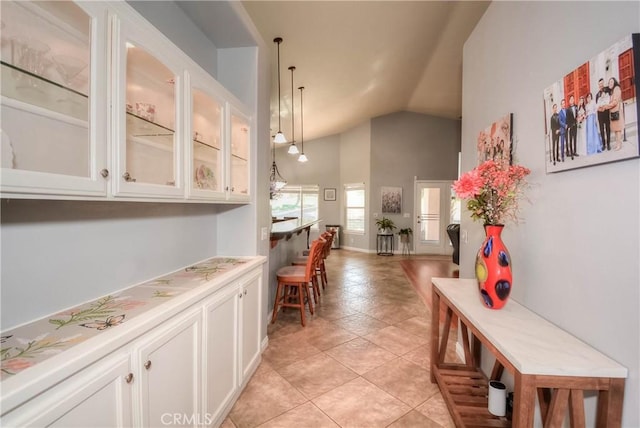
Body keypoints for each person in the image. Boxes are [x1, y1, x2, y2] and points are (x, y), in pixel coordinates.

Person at [607, 77, 625, 151]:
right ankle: (617, 143)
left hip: (616, 111)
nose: (610, 83)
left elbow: (615, 102)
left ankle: (619, 144)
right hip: (613, 112)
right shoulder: (612, 91)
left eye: (611, 82)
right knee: (615, 129)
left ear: (614, 82)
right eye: (609, 82)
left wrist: (607, 106)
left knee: (618, 129)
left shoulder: (616, 89)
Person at [596, 78, 611, 150]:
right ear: (598, 85)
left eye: (602, 84)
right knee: (601, 129)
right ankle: (604, 145)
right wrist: (599, 108)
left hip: (606, 112)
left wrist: (605, 107)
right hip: (600, 114)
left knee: (608, 128)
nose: (601, 85)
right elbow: (596, 105)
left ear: (603, 83)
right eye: (599, 84)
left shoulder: (607, 90)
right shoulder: (597, 94)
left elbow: (609, 99)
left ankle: (608, 144)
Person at [565, 94, 578, 159]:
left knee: (575, 138)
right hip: (570, 126)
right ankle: (571, 152)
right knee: (570, 139)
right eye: (571, 99)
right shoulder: (568, 109)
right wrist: (569, 126)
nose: (572, 100)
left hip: (575, 125)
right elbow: (567, 119)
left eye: (573, 99)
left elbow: (577, 115)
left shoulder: (576, 107)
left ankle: (575, 151)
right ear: (569, 101)